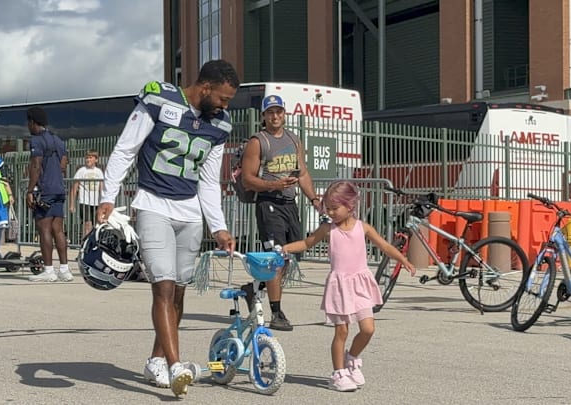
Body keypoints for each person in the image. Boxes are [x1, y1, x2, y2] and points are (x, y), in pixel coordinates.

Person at [95, 59, 239, 398]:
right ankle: (176, 367)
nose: (224, 105)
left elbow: (207, 179)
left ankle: (157, 360)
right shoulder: (160, 99)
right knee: (162, 287)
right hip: (152, 204)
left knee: (179, 291)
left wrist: (218, 227)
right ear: (205, 88)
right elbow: (125, 149)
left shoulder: (220, 124)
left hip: (189, 211)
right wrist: (107, 195)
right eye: (222, 98)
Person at [282, 180, 416, 392]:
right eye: (328, 208)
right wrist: (286, 248)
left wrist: (404, 260)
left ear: (350, 206)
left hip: (360, 283)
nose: (331, 213)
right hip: (340, 286)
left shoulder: (363, 228)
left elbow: (385, 246)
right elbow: (307, 243)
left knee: (368, 328)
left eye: (335, 208)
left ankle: (351, 357)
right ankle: (338, 373)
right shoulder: (328, 229)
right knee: (341, 332)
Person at [239, 94, 322, 331]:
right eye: (270, 112)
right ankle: (276, 312)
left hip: (289, 204)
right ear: (264, 116)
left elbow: (302, 174)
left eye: (279, 112)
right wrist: (273, 185)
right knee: (276, 257)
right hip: (268, 203)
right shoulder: (258, 142)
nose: (275, 116)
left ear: (284, 114)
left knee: (290, 257)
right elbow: (248, 179)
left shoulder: (294, 140)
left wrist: (315, 199)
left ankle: (253, 289)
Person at [25, 106, 73, 283]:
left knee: (44, 229)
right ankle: (65, 269)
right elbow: (63, 164)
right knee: (58, 230)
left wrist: (30, 190)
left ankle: (48, 270)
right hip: (59, 188)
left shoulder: (36, 140)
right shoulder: (58, 140)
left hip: (45, 189)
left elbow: (36, 165)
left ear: (32, 122)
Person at [69, 149, 104, 237]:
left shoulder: (99, 171)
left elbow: (102, 188)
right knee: (87, 224)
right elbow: (74, 188)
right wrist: (72, 204)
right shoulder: (81, 171)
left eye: (90, 157)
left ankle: (94, 244)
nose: (88, 160)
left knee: (96, 224)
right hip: (85, 202)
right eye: (87, 158)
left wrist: (103, 203)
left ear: (96, 159)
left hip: (96, 202)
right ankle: (86, 244)